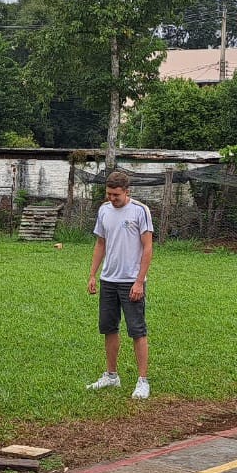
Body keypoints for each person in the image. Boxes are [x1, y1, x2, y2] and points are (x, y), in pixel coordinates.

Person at [86, 170, 155, 400]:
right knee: (109, 327)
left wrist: (139, 281)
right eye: (109, 194)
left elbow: (148, 248)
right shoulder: (104, 210)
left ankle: (143, 380)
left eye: (116, 195)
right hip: (109, 280)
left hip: (131, 282)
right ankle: (111, 375)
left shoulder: (140, 211)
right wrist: (93, 275)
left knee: (137, 330)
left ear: (127, 192)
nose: (112, 199)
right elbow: (100, 243)